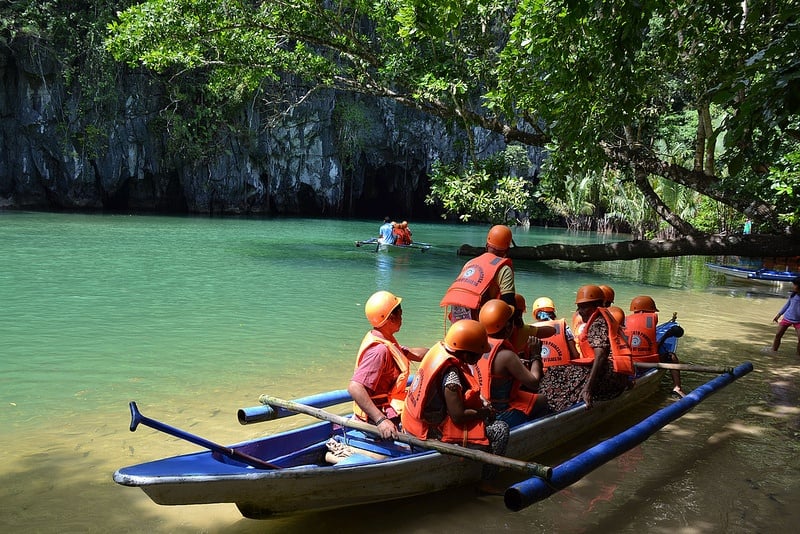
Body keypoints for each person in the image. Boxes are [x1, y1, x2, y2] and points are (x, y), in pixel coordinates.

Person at [403, 319, 510, 492]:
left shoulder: (439, 351)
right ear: (466, 355)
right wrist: (484, 413)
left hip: (411, 423)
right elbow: (458, 416)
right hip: (431, 431)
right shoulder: (451, 375)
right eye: (478, 353)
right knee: (501, 429)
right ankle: (487, 482)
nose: (480, 357)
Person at [537, 285, 633, 411]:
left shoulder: (598, 323)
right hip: (618, 373)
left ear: (596, 306)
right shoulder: (606, 317)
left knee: (555, 373)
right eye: (579, 307)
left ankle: (551, 407)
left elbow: (601, 357)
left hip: (609, 375)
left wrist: (588, 389)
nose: (580, 311)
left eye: (583, 307)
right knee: (562, 371)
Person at [349, 290, 428, 439]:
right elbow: (355, 387)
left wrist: (441, 351)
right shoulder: (379, 351)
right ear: (391, 318)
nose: (402, 318)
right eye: (401, 314)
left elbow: (413, 353)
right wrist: (381, 420)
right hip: (379, 416)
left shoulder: (385, 339)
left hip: (389, 408)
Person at [476, 300, 550, 427]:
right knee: (544, 400)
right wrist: (535, 354)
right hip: (502, 413)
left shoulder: (478, 345)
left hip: (484, 404)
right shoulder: (506, 355)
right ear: (508, 327)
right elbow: (534, 383)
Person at [440, 225, 516, 323]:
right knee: (515, 305)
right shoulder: (504, 269)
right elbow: (508, 301)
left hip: (456, 318)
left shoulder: (470, 263)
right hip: (478, 319)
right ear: (507, 250)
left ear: (486, 245)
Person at [626, 295, 686, 397]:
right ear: (649, 310)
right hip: (647, 361)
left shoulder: (625, 320)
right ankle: (677, 387)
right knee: (671, 357)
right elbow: (653, 346)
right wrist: (666, 335)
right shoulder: (651, 319)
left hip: (627, 362)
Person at [531, 296, 581, 367]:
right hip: (564, 370)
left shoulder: (532, 330)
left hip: (541, 372)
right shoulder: (563, 327)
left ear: (536, 315)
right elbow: (575, 354)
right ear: (553, 313)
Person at [767, 276, 800, 356]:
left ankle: (798, 355)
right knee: (778, 335)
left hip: (798, 321)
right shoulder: (793, 295)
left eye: (795, 285)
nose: (794, 286)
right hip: (787, 318)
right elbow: (787, 305)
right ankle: (773, 351)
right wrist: (778, 315)